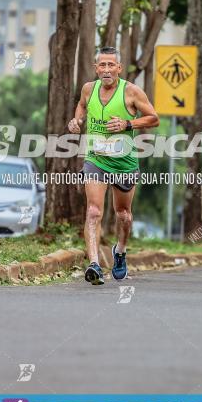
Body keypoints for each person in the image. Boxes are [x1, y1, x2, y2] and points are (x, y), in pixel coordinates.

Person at [68, 47, 159, 285]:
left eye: (111, 65)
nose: (106, 70)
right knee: (94, 211)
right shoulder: (89, 88)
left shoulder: (131, 91)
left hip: (124, 162)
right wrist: (77, 121)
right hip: (96, 159)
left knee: (123, 215)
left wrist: (128, 123)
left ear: (119, 68)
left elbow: (154, 118)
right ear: (96, 67)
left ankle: (120, 251)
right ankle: (95, 265)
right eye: (102, 65)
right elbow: (82, 106)